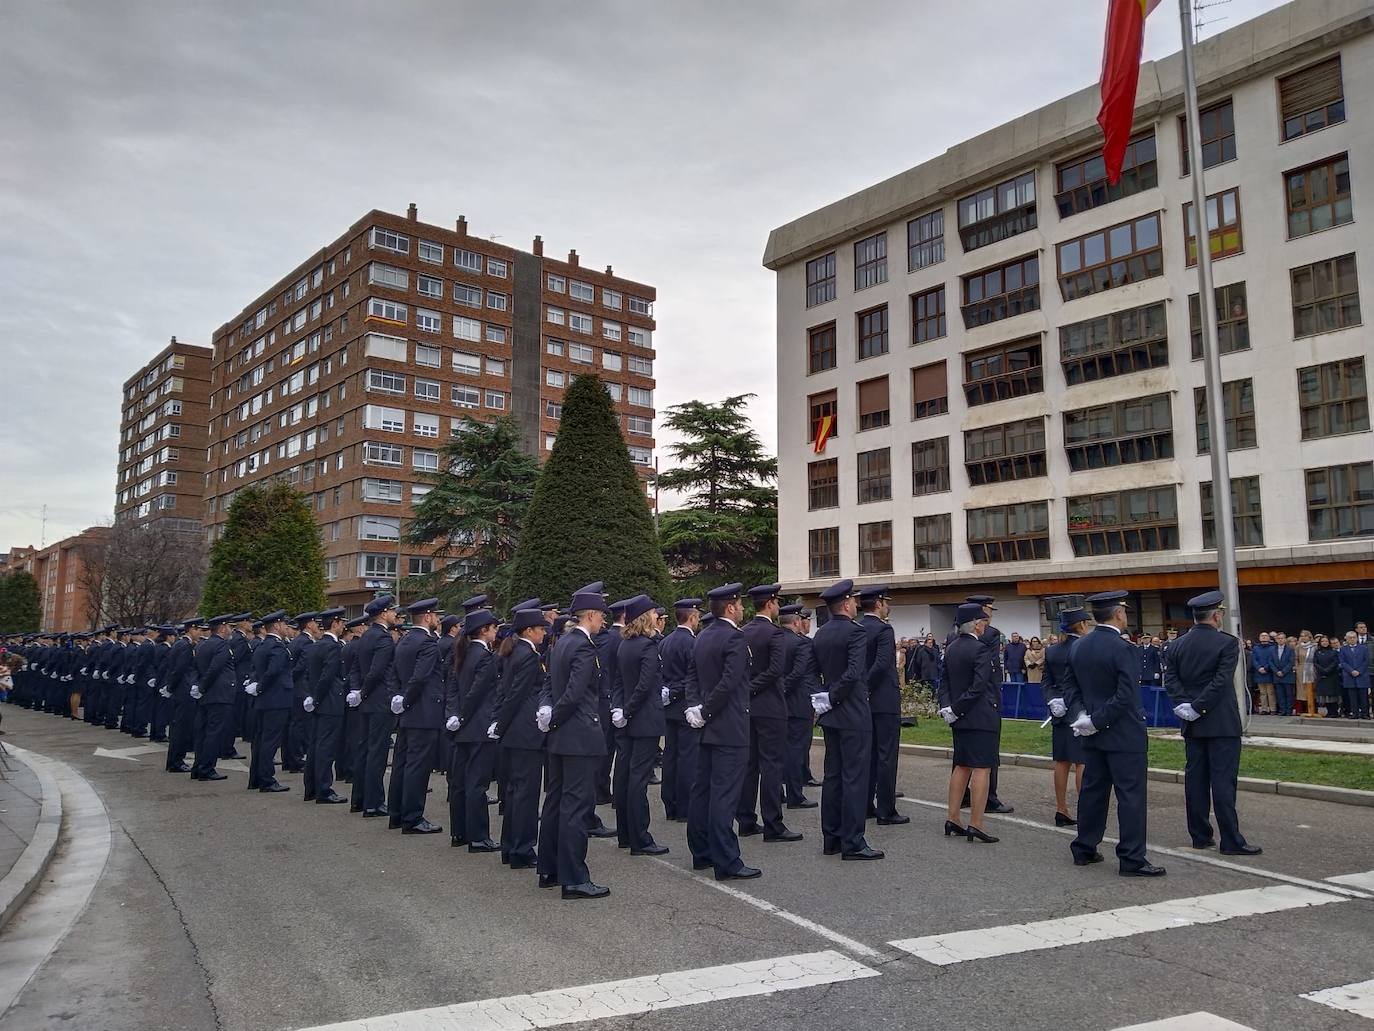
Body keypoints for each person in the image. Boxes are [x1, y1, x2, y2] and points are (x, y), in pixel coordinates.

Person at [1063, 590, 1164, 877]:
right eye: (1125, 612)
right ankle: (1132, 858)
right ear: (1119, 614)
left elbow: (1069, 688)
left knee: (1093, 792)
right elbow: (1126, 696)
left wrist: (1082, 716)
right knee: (1130, 796)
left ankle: (1084, 847)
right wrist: (1095, 720)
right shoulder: (1124, 648)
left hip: (1092, 733)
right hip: (1122, 733)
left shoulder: (1079, 646)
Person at [1164, 590, 1261, 857]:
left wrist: (1185, 705)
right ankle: (1230, 839)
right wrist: (1199, 706)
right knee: (1222, 781)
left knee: (1195, 780)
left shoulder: (1176, 645)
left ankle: (1200, 835)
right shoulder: (1227, 643)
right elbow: (1221, 681)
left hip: (1191, 723)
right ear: (1217, 616)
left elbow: (1171, 680)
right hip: (1220, 722)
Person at [538, 582, 612, 899]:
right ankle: (574, 877)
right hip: (578, 734)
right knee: (576, 807)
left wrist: (546, 711)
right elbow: (574, 693)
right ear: (591, 615)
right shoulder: (583, 647)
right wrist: (553, 714)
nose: (604, 622)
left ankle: (550, 869)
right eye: (602, 617)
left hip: (559, 736)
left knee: (556, 803)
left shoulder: (560, 643)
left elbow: (549, 686)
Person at [685, 583, 761, 879]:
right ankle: (727, 860)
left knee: (703, 790)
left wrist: (696, 708)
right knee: (724, 795)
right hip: (728, 725)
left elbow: (691, 676)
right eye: (740, 605)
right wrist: (703, 710)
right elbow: (729, 683)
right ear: (730, 607)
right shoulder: (735, 639)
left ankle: (701, 851)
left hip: (707, 725)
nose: (743, 609)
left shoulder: (702, 636)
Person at [811, 579, 882, 861]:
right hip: (851, 713)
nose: (856, 605)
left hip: (831, 715)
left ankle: (832, 837)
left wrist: (821, 697)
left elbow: (809, 671)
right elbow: (854, 673)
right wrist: (833, 697)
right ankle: (853, 842)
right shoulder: (855, 633)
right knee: (854, 778)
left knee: (833, 777)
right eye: (853, 600)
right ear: (845, 604)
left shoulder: (821, 634)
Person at [736, 583, 798, 843]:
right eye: (776, 603)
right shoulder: (774, 633)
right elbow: (775, 670)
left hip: (749, 708)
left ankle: (746, 820)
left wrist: (746, 690)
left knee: (749, 765)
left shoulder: (744, 632)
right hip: (770, 706)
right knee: (771, 765)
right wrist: (753, 688)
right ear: (770, 604)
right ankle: (773, 823)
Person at [491, 606, 548, 869]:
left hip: (515, 731)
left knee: (515, 792)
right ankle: (522, 849)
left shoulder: (515, 652)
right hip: (525, 731)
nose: (544, 633)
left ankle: (510, 846)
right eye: (540, 629)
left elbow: (505, 691)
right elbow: (516, 695)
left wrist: (499, 723)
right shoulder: (527, 655)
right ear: (528, 631)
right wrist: (501, 724)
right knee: (525, 793)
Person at [940, 602, 1000, 843]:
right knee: (982, 768)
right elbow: (979, 686)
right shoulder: (981, 649)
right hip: (980, 716)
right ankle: (976, 822)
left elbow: (943, 681)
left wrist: (948, 707)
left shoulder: (952, 648)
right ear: (977, 624)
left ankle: (953, 817)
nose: (986, 625)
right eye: (984, 621)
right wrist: (957, 708)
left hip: (960, 717)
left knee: (961, 766)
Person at [614, 595, 669, 855]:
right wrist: (629, 710)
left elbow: (618, 683)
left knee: (626, 775)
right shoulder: (647, 646)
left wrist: (621, 710)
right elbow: (645, 685)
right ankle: (640, 838)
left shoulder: (625, 644)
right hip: (643, 718)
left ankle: (625, 833)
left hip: (628, 718)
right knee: (638, 779)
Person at [389, 598, 445, 835]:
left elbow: (393, 673)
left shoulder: (405, 640)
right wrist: (408, 699)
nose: (438, 620)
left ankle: (397, 813)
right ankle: (412, 818)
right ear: (428, 617)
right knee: (417, 766)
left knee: (403, 763)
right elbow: (421, 677)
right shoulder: (428, 643)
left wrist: (398, 699)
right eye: (436, 616)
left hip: (408, 711)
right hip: (423, 712)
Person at [447, 606, 501, 850]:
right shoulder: (484, 657)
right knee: (476, 784)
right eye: (493, 628)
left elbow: (453, 690)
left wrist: (454, 716)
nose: (496, 632)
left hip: (462, 727)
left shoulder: (463, 653)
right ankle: (478, 837)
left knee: (459, 782)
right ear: (484, 630)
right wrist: (464, 715)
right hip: (478, 726)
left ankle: (459, 832)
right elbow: (476, 693)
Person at [860, 586, 907, 827]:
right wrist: (867, 687)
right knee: (887, 756)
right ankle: (886, 809)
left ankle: (867, 804)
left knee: (869, 755)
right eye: (885, 602)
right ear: (878, 604)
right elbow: (881, 665)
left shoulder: (858, 627)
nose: (888, 605)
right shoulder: (884, 629)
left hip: (866, 702)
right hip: (884, 700)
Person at [349, 595, 399, 818]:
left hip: (367, 701)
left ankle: (359, 799)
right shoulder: (384, 638)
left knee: (364, 750)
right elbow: (377, 671)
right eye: (391, 611)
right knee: (377, 754)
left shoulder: (365, 637)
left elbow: (355, 670)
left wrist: (357, 691)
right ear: (382, 614)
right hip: (379, 700)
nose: (394, 614)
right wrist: (364, 691)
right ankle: (373, 803)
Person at [1039, 607, 1089, 827]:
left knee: (1062, 761)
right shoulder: (1085, 647)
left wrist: (1053, 700)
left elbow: (1046, 682)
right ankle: (1086, 810)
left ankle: (1061, 808)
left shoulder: (1052, 650)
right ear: (1081, 625)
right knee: (1082, 762)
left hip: (1059, 712)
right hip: (1080, 710)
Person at [659, 598, 701, 823]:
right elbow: (692, 677)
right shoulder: (692, 643)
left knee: (671, 756)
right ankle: (684, 806)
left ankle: (670, 804)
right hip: (685, 705)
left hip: (669, 707)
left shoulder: (665, 641)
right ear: (692, 617)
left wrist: (667, 693)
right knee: (687, 757)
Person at [304, 608, 348, 804]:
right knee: (326, 748)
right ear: (335, 623)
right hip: (329, 702)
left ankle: (311, 787)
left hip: (319, 702)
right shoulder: (333, 647)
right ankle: (324, 789)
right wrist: (318, 698)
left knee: (315, 745)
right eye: (342, 623)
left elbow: (311, 675)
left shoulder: (316, 645)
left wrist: (313, 698)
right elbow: (328, 677)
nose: (344, 626)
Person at [779, 604, 818, 810]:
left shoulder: (775, 639)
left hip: (777, 703)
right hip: (798, 702)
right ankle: (795, 795)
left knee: (779, 750)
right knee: (796, 750)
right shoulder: (801, 643)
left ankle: (779, 793)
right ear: (796, 621)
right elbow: (799, 672)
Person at [248, 611, 292, 793]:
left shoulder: (263, 645)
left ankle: (256, 778)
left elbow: (257, 670)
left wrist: (257, 687)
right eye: (283, 625)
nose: (286, 628)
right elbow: (273, 671)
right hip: (276, 699)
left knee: (261, 740)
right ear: (276, 626)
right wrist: (259, 687)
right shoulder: (276, 647)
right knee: (270, 741)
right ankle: (267, 779)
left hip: (264, 700)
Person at [190, 614, 236, 783]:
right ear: (222, 628)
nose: (231, 630)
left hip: (207, 695)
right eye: (229, 627)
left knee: (203, 732)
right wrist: (201, 687)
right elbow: (215, 669)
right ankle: (206, 768)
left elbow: (195, 668)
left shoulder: (203, 645)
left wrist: (197, 686)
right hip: (218, 695)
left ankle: (198, 767)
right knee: (213, 733)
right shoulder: (222, 646)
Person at [163, 618, 201, 774]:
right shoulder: (185, 646)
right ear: (191, 630)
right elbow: (179, 670)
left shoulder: (180, 644)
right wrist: (171, 687)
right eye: (198, 630)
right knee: (181, 728)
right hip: (183, 692)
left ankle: (175, 760)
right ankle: (176, 762)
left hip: (180, 690)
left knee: (178, 727)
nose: (200, 633)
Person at [286, 613, 319, 773]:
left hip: (296, 688)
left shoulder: (297, 640)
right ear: (308, 625)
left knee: (295, 725)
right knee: (299, 726)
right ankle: (296, 760)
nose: (317, 625)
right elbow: (303, 666)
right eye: (314, 622)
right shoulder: (306, 642)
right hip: (302, 688)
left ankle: (291, 759)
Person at [1338, 632, 1370, 719]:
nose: (1352, 639)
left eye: (1354, 637)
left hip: (1362, 675)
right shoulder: (1343, 649)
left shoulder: (1364, 648)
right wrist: (1351, 671)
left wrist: (1359, 671)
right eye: (1350, 638)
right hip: (1349, 676)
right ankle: (1355, 713)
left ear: (1356, 638)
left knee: (1363, 697)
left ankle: (1365, 714)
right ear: (1347, 639)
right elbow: (1342, 662)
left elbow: (1366, 661)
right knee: (1352, 697)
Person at [1314, 635, 1342, 718]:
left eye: (1326, 641)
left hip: (1332, 676)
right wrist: (1322, 671)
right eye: (1322, 641)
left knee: (1332, 695)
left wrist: (1327, 670)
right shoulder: (1317, 652)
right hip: (1322, 676)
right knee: (1324, 696)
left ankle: (1334, 712)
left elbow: (1335, 663)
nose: (1324, 643)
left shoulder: (1334, 652)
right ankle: (1328, 712)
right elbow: (1315, 663)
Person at [1250, 632, 1276, 715]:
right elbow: (1254, 659)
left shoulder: (1273, 648)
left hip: (1269, 672)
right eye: (1262, 636)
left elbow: (1272, 659)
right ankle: (1264, 709)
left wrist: (1266, 668)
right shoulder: (1256, 648)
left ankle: (1273, 709)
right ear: (1259, 637)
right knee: (1262, 692)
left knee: (1271, 692)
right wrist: (1259, 668)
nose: (1264, 637)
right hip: (1259, 673)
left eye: (1265, 636)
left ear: (1269, 638)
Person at [1271, 634, 1296, 717]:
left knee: (1289, 694)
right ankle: (1282, 710)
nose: (1280, 640)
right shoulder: (1273, 649)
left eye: (1282, 638)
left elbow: (1291, 662)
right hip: (1277, 675)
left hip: (1287, 675)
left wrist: (1283, 671)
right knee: (1280, 694)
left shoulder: (1290, 650)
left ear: (1285, 639)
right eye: (1279, 638)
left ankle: (1289, 710)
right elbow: (1270, 662)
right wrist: (1276, 671)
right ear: (1276, 640)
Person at [1296, 631, 1318, 717]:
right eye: (1302, 636)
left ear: (1309, 637)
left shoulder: (1314, 646)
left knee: (1313, 688)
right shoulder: (1298, 647)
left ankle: (1313, 708)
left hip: (1312, 668)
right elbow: (1296, 659)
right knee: (1302, 689)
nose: (1303, 637)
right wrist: (1297, 668)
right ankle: (1304, 709)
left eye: (1305, 636)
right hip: (1301, 670)